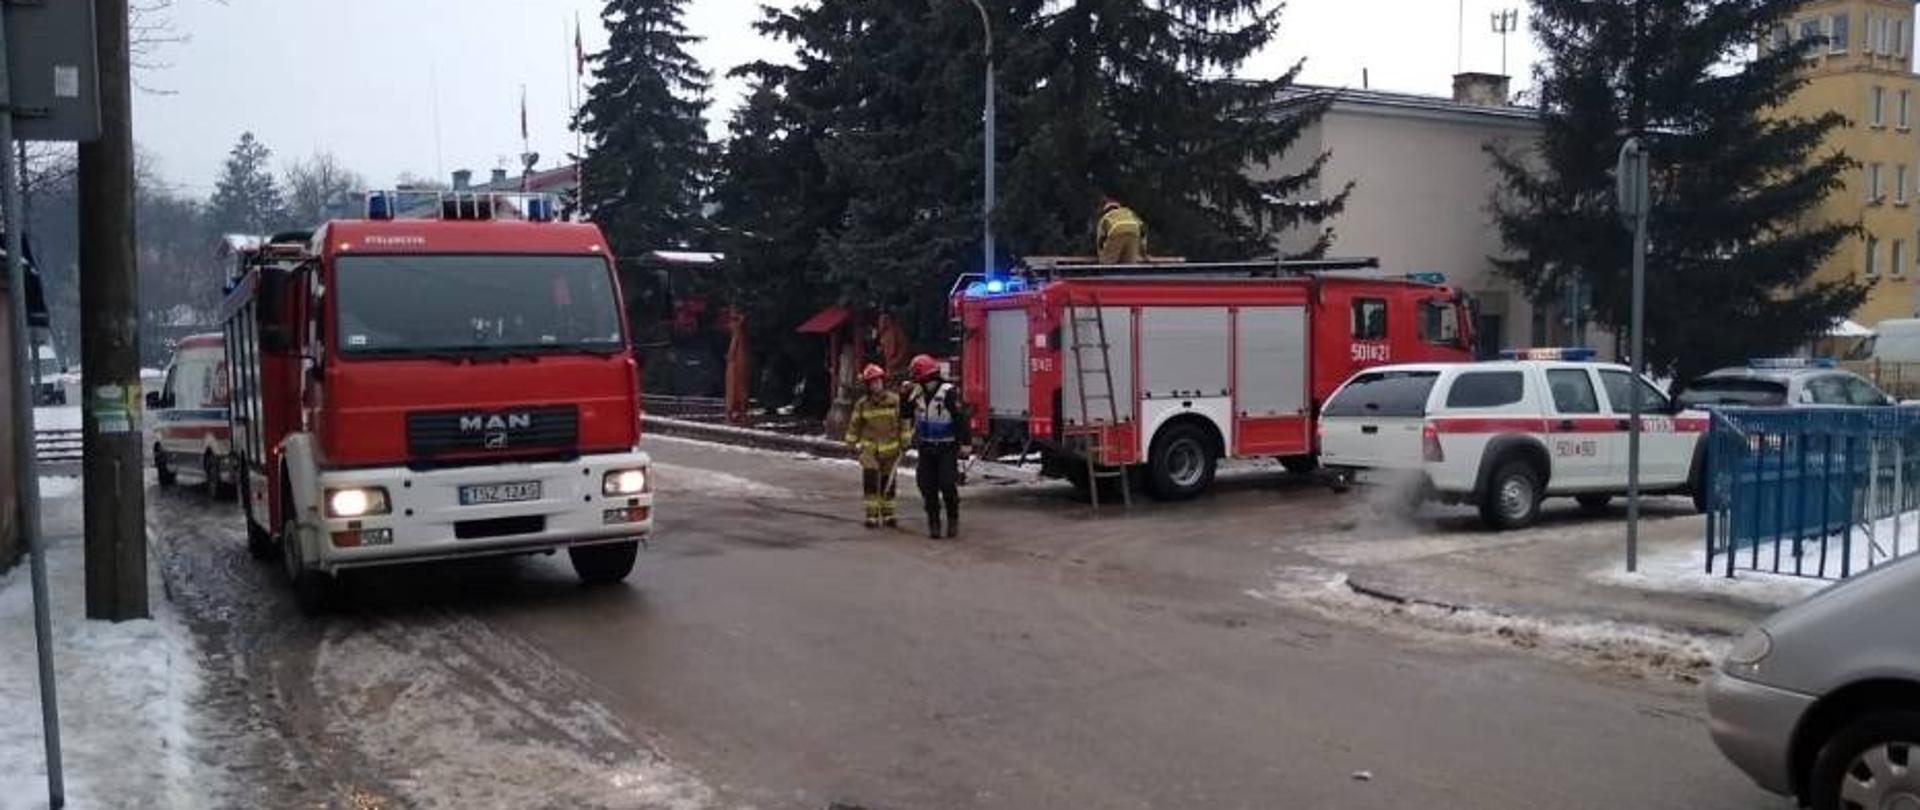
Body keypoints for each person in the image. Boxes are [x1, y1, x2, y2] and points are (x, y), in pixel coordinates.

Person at [904, 354, 970, 539]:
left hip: (946, 447)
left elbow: (960, 418)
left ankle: (953, 519)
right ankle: (934, 522)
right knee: (927, 485)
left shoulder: (948, 392)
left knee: (947, 484)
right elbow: (904, 414)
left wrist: (965, 443)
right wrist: (904, 396)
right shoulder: (916, 392)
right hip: (925, 447)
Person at [843, 363, 908, 529]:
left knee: (889, 482)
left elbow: (904, 422)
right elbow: (855, 424)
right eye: (872, 382)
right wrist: (850, 442)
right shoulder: (863, 404)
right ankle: (871, 516)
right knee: (870, 479)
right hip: (869, 449)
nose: (876, 385)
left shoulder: (894, 401)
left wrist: (905, 440)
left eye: (878, 381)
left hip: (891, 449)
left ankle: (889, 515)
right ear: (867, 385)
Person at [1095, 197, 1146, 264]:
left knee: (1108, 262)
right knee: (1129, 264)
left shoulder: (1106, 217)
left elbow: (1100, 239)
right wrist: (1143, 253)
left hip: (1116, 231)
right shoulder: (1129, 212)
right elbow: (1142, 229)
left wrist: (1101, 256)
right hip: (1134, 232)